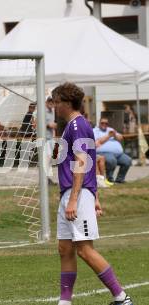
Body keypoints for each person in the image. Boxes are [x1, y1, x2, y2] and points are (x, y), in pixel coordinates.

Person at [52, 82, 133, 305]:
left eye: (57, 102)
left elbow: (81, 162)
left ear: (67, 103)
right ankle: (65, 302)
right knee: (65, 249)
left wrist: (77, 199)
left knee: (85, 251)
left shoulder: (78, 126)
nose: (55, 106)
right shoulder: (73, 126)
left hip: (75, 196)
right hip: (70, 194)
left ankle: (122, 298)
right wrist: (94, 197)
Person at [93, 118, 132, 184]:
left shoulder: (110, 129)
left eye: (106, 123)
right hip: (104, 153)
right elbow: (97, 142)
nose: (104, 124)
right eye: (102, 123)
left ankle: (120, 179)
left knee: (127, 160)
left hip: (119, 154)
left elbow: (121, 138)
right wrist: (108, 136)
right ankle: (110, 179)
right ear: (99, 123)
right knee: (111, 160)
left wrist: (115, 135)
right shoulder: (95, 130)